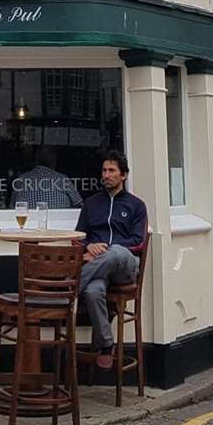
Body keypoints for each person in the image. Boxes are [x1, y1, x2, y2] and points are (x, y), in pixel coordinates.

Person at [75, 151, 148, 371]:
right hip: (98, 268)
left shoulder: (136, 205)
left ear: (123, 175)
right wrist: (88, 246)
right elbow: (79, 237)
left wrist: (108, 247)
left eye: (112, 171)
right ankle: (107, 344)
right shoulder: (91, 204)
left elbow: (138, 242)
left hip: (124, 265)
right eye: (104, 171)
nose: (106, 175)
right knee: (93, 292)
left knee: (116, 251)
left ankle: (70, 291)